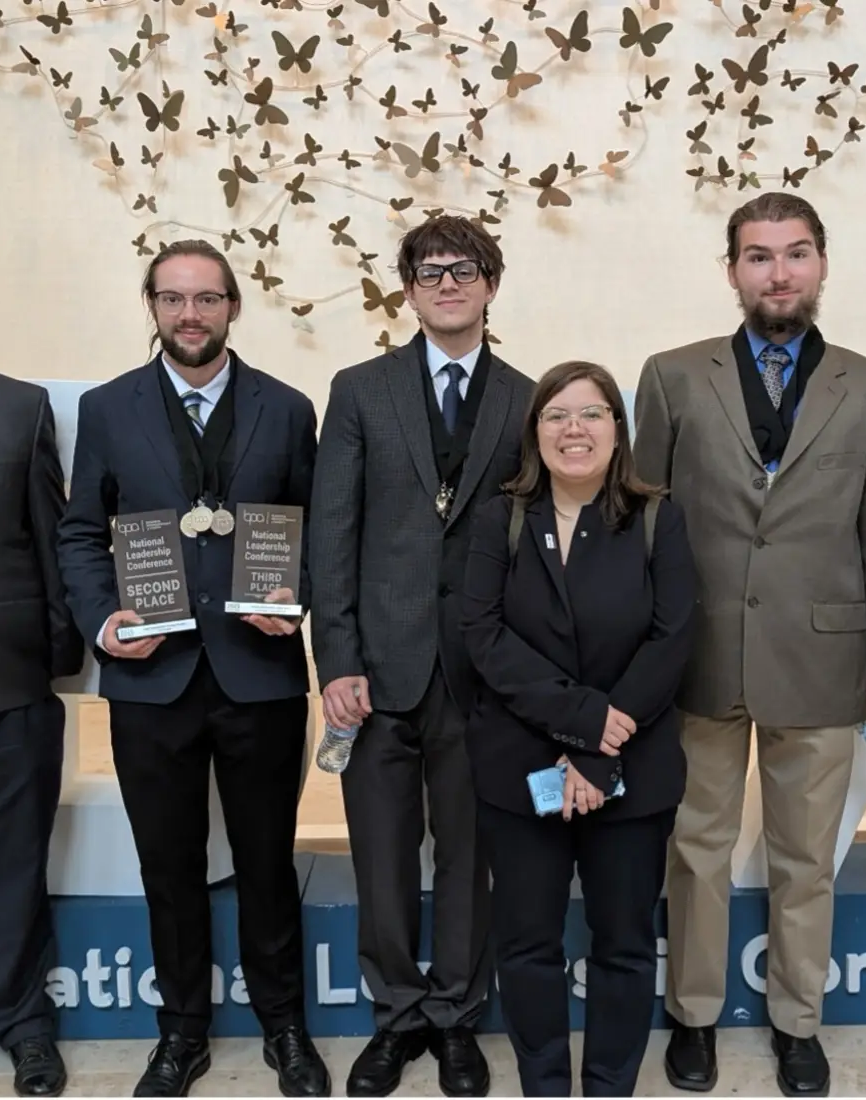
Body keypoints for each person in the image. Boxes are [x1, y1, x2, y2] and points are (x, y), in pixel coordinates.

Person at [633, 192, 866, 1098]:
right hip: (700, 654)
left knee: (805, 856)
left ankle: (798, 1023)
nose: (778, 273)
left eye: (795, 254)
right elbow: (648, 529)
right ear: (732, 270)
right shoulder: (673, 377)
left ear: (822, 263)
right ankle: (696, 1016)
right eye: (759, 256)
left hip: (824, 661)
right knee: (697, 847)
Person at [56, 240, 327, 1098]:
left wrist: (294, 594)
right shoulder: (107, 409)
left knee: (265, 862)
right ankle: (181, 1032)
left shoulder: (286, 409)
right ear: (152, 307)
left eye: (207, 299)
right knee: (165, 865)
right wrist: (103, 621)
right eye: (173, 299)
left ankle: (286, 1027)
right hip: (151, 677)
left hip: (260, 672)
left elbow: (320, 529)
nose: (190, 315)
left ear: (234, 307)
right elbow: (77, 534)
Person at [310, 214, 534, 1098]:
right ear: (408, 287)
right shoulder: (360, 389)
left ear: (490, 283)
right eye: (431, 270)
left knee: (469, 860)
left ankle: (455, 1020)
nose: (448, 283)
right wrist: (337, 662)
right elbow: (333, 534)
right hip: (378, 669)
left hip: (482, 675)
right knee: (382, 855)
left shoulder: (526, 397)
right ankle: (395, 1016)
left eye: (466, 268)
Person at [460, 360, 695, 1096]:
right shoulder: (502, 517)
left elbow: (673, 638)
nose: (574, 429)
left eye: (591, 413)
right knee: (527, 943)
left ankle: (608, 1085)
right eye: (556, 415)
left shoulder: (659, 515)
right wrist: (582, 724)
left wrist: (600, 754)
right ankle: (546, 1084)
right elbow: (482, 632)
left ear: (618, 429)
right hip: (519, 762)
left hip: (633, 769)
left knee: (624, 943)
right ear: (535, 431)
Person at [0, 350, 83, 1096]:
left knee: (13, 875)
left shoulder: (16, 405)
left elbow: (50, 535)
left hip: (1, 681)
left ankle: (22, 1024)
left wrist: (55, 662)